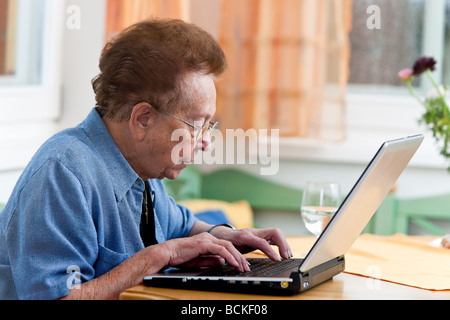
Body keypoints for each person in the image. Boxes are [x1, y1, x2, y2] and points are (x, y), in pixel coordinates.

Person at [0, 19, 292, 300]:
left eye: (208, 125)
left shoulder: (141, 167)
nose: (205, 141)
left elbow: (182, 227)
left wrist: (227, 236)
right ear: (142, 119)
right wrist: (161, 254)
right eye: (195, 124)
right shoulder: (62, 173)